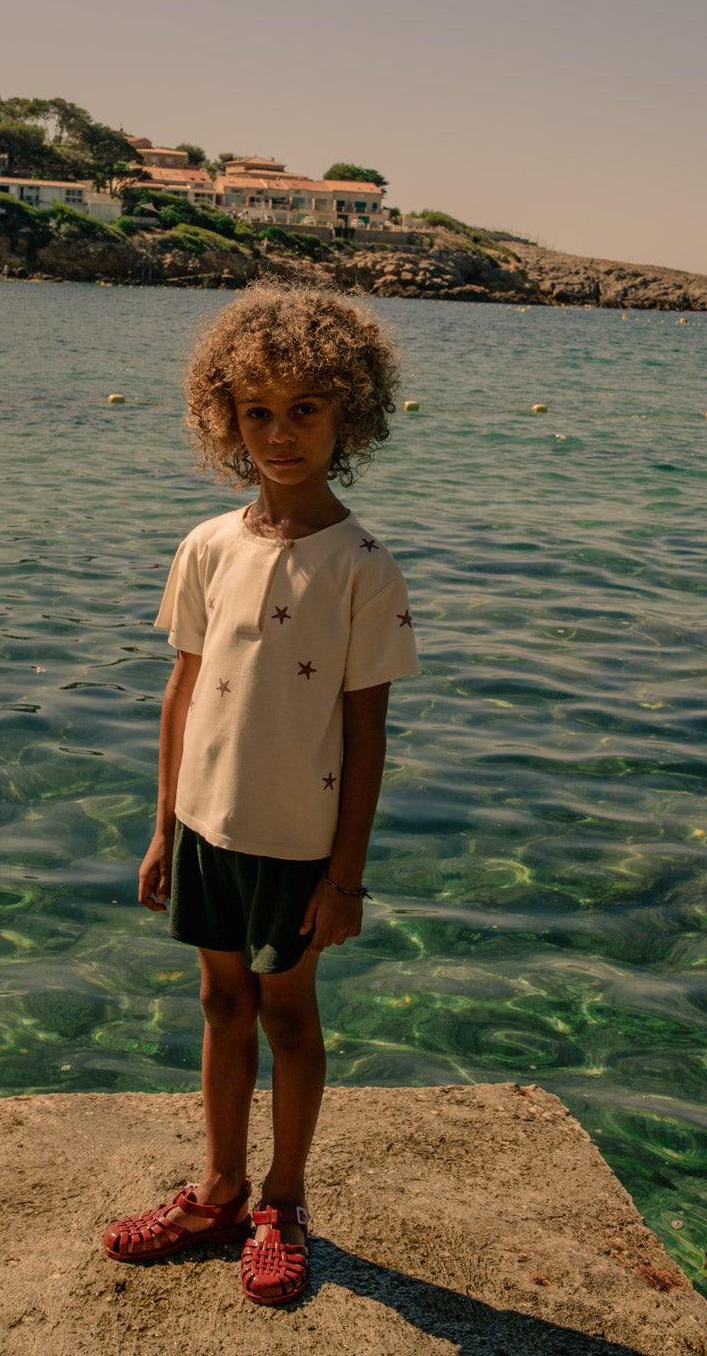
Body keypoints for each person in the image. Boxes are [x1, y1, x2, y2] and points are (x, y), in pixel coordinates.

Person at [102, 283, 419, 1306]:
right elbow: (183, 691)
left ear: (351, 414)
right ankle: (220, 1188)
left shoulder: (364, 570)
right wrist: (161, 826)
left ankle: (284, 1198)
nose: (280, 434)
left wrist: (348, 876)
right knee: (219, 1000)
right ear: (224, 419)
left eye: (306, 409)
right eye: (258, 412)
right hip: (204, 827)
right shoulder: (206, 546)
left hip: (298, 843)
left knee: (289, 1016)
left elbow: (366, 731)